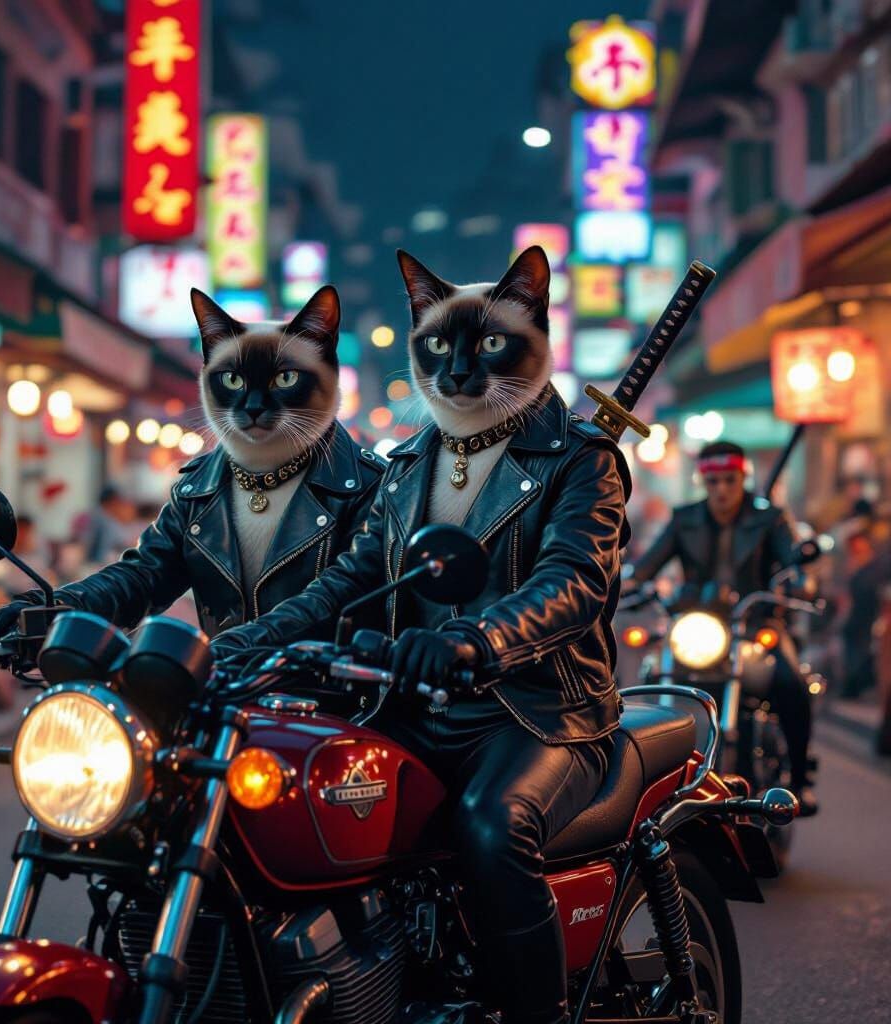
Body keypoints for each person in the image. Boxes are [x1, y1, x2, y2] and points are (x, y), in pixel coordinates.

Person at [215, 247, 629, 1024]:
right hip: (416, 700)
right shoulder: (406, 465)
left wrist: (475, 641)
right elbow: (353, 578)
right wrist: (247, 640)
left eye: (491, 346)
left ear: (535, 325)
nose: (461, 368)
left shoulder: (583, 459)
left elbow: (572, 584)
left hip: (537, 710)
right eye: (439, 346)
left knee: (490, 826)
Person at [0, 284, 385, 650]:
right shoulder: (199, 489)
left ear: (327, 369)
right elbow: (144, 576)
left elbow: (338, 596)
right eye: (234, 383)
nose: (254, 405)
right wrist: (50, 608)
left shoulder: (372, 487)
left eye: (283, 380)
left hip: (333, 712)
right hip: (225, 707)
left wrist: (238, 644)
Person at [629, 440, 818, 816]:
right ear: (703, 480)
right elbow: (646, 567)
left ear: (742, 478)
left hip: (756, 622)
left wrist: (799, 582)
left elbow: (794, 563)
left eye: (729, 480)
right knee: (651, 676)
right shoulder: (684, 518)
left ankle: (800, 778)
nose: (722, 490)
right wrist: (627, 581)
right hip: (697, 626)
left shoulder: (770, 518)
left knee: (790, 681)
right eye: (713, 481)